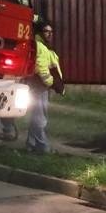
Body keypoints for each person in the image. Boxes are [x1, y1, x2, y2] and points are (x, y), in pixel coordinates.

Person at [26, 21, 64, 153]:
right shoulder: (40, 46)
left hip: (40, 86)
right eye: (47, 31)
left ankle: (31, 144)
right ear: (41, 33)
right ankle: (43, 147)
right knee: (40, 118)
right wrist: (51, 83)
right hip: (39, 86)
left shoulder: (44, 46)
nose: (49, 34)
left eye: (51, 32)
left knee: (37, 115)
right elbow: (41, 68)